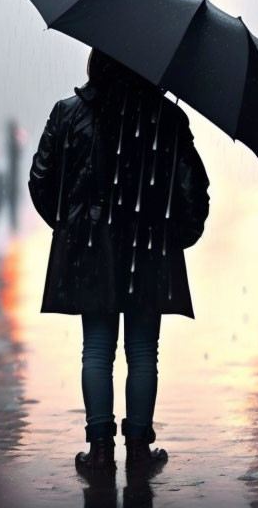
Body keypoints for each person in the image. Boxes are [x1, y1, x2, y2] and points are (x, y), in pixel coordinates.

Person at [28, 49, 210, 473]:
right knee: (144, 351)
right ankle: (140, 449)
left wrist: (71, 223)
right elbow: (193, 189)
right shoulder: (166, 118)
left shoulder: (68, 113)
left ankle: (99, 448)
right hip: (150, 246)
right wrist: (175, 235)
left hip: (92, 247)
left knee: (96, 349)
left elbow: (41, 180)